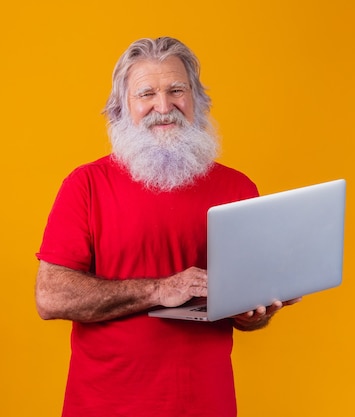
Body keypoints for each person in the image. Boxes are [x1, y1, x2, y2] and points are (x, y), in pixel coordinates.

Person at [35, 36, 299, 417]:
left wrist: (255, 312)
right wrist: (159, 289)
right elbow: (51, 298)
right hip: (104, 405)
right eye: (146, 94)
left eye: (176, 90)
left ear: (196, 100)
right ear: (122, 108)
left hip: (207, 403)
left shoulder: (239, 188)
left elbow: (245, 312)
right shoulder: (85, 186)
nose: (164, 107)